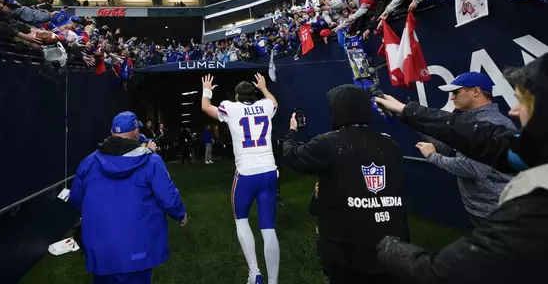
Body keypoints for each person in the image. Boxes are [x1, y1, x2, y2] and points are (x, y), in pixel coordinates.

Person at [374, 54, 548, 284]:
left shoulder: (535, 205)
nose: (514, 111)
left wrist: (388, 248)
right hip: (481, 207)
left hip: (490, 208)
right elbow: (470, 137)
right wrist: (406, 113)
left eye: (523, 102)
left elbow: (443, 273)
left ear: (476, 91)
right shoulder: (523, 143)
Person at [282, 85, 409, 284]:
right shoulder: (391, 146)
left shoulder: (329, 143)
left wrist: (291, 132)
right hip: (393, 249)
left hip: (348, 254)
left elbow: (291, 156)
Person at [69, 111, 188, 284]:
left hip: (101, 251)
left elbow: (75, 199)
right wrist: (180, 214)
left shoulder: (89, 162)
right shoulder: (151, 161)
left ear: (112, 132)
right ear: (135, 132)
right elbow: (168, 196)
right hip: (137, 251)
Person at [201, 73, 280, 284]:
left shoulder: (231, 107)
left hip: (246, 174)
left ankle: (254, 272)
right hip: (269, 171)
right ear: (254, 94)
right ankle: (273, 281)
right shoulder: (265, 105)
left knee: (241, 219)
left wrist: (207, 89)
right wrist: (263, 87)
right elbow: (274, 102)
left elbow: (206, 107)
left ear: (237, 95)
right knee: (268, 227)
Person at [417, 72, 516, 228]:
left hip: (496, 211)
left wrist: (432, 156)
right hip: (483, 209)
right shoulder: (471, 121)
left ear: (476, 91)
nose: (451, 98)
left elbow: (474, 169)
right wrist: (415, 122)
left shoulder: (491, 123)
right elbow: (449, 148)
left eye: (456, 92)